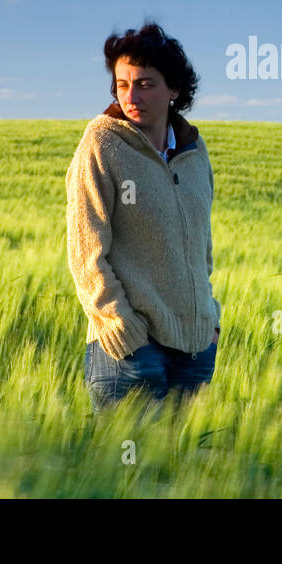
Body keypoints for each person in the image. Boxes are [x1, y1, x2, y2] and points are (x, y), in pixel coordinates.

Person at [66, 21, 221, 414]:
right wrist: (122, 327)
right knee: (128, 475)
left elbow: (202, 250)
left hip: (195, 354)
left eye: (145, 83)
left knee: (179, 473)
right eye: (122, 84)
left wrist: (211, 320)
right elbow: (86, 252)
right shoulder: (102, 144)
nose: (131, 95)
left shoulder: (194, 152)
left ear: (174, 90)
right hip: (131, 355)